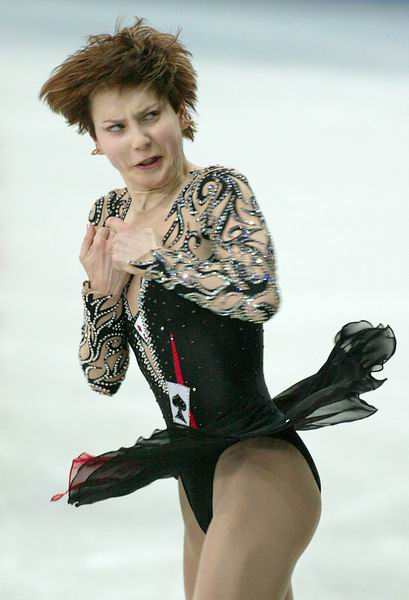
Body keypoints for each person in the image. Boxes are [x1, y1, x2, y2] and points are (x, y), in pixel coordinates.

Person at [38, 16, 397, 600]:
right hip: (193, 475)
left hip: (259, 465)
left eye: (151, 116)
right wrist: (100, 295)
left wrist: (156, 257)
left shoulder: (216, 193)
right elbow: (103, 377)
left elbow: (258, 295)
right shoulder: (108, 216)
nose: (139, 139)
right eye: (117, 127)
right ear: (96, 140)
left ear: (180, 112)